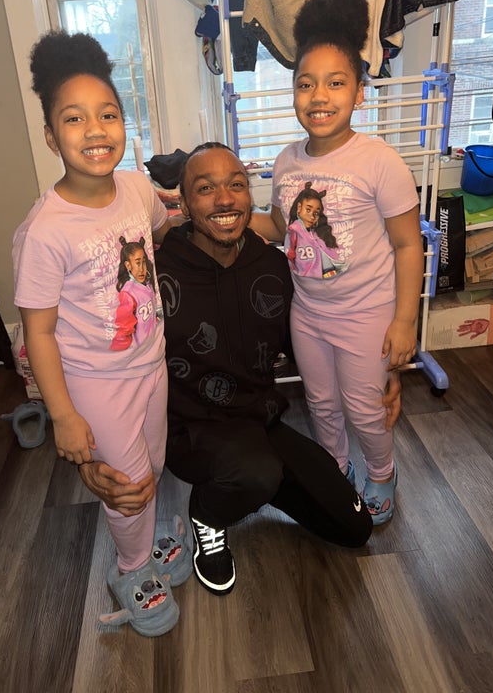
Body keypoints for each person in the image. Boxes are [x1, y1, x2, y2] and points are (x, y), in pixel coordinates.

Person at [80, 142, 401, 597]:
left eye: (236, 185)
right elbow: (101, 363)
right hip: (189, 428)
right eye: (205, 189)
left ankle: (256, 481)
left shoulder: (272, 265)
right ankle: (209, 513)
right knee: (255, 471)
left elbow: (317, 339)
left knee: (353, 527)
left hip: (259, 420)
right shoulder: (158, 275)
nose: (224, 199)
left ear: (250, 196)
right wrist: (91, 457)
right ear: (182, 203)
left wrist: (384, 374)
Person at [12, 30, 191, 637]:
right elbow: (39, 332)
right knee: (127, 481)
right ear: (50, 136)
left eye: (108, 114)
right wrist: (63, 415)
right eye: (74, 118)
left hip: (150, 363)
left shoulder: (137, 188)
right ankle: (132, 568)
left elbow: (159, 228)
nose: (95, 130)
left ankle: (151, 536)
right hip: (94, 381)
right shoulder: (45, 230)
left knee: (155, 462)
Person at [250, 0, 424, 526]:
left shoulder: (380, 162)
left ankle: (381, 472)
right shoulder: (285, 161)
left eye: (335, 82)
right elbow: (279, 227)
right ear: (293, 93)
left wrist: (404, 321)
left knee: (365, 409)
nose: (319, 96)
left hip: (367, 317)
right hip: (308, 314)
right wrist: (222, 216)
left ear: (359, 93)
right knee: (321, 405)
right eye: (306, 84)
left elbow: (408, 244)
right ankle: (335, 469)